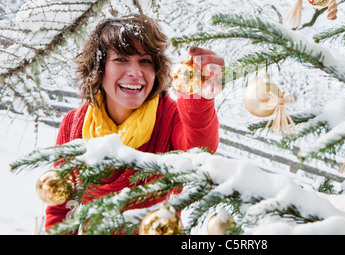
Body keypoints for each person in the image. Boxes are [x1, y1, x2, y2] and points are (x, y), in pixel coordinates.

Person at [45, 14, 225, 232]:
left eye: (145, 61)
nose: (135, 72)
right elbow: (62, 206)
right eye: (121, 59)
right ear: (99, 67)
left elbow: (199, 148)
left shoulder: (169, 117)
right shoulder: (74, 124)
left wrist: (198, 96)